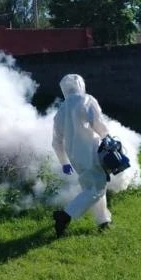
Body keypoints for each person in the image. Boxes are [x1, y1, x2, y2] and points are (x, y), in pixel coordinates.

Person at [51, 73, 113, 237]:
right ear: (81, 85)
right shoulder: (87, 100)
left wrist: (64, 162)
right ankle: (64, 216)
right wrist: (108, 139)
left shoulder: (61, 111)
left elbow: (56, 142)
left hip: (74, 157)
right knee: (97, 188)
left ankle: (103, 221)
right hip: (91, 151)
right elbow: (98, 124)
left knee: (91, 187)